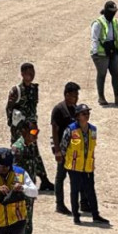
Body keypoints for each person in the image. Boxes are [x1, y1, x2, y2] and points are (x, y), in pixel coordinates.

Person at [61, 104, 109, 226]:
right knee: (74, 191)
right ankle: (76, 216)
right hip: (74, 167)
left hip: (88, 166)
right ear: (77, 116)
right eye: (84, 113)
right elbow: (63, 146)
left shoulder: (93, 129)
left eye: (87, 113)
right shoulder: (71, 129)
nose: (87, 116)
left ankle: (95, 215)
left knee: (91, 191)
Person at [91, 0, 118, 106]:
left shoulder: (114, 21)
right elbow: (94, 39)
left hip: (113, 50)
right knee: (102, 74)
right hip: (101, 53)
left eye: (115, 11)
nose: (113, 13)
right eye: (112, 11)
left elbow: (117, 37)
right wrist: (96, 54)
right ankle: (101, 97)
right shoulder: (98, 23)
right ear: (106, 11)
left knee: (116, 73)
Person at [51, 81, 80, 215]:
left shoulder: (74, 109)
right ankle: (60, 204)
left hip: (73, 149)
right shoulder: (59, 109)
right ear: (67, 95)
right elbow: (55, 131)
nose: (76, 98)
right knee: (61, 176)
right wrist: (57, 150)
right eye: (74, 95)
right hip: (62, 148)